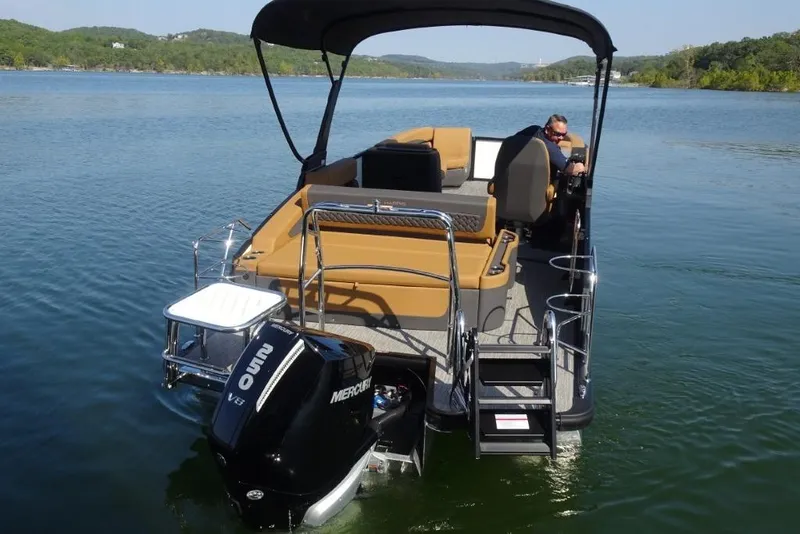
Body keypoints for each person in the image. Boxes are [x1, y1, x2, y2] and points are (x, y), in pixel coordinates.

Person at [515, 114, 586, 178]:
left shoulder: (533, 129)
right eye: (558, 134)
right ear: (547, 129)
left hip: (518, 173)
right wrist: (580, 167)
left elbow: (513, 139)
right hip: (538, 182)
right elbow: (569, 170)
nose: (561, 138)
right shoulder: (550, 147)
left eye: (564, 134)